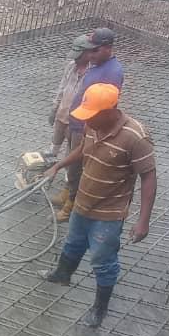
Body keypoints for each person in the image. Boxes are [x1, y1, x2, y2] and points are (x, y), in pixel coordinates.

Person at [41, 83, 156, 327]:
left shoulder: (135, 137)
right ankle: (62, 275)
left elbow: (149, 177)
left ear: (110, 110)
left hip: (108, 213)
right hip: (83, 202)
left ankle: (99, 309)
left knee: (103, 260)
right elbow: (83, 149)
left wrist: (143, 220)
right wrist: (58, 165)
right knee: (73, 242)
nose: (87, 121)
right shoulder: (92, 125)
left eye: (92, 115)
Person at [54, 27, 125, 223]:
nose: (90, 54)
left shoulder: (113, 72)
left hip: (88, 127)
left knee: (78, 165)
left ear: (107, 48)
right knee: (72, 160)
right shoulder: (96, 64)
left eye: (94, 50)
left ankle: (72, 204)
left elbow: (107, 108)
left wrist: (92, 131)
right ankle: (69, 191)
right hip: (76, 122)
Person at [47, 34, 102, 206]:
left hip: (78, 121)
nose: (76, 59)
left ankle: (68, 190)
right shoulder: (71, 67)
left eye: (79, 55)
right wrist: (55, 107)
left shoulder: (92, 73)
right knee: (54, 146)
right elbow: (62, 87)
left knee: (72, 155)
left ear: (88, 53)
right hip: (62, 115)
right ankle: (45, 173)